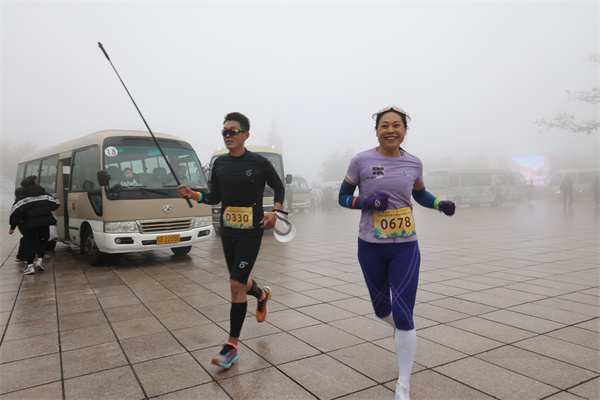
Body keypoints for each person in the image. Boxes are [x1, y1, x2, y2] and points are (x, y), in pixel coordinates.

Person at [338, 106, 455, 400]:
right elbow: (341, 197)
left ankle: (403, 382)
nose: (390, 130)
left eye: (397, 125)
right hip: (369, 246)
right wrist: (366, 203)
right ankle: (403, 331)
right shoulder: (361, 160)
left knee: (403, 314)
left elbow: (419, 194)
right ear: (377, 130)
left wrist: (439, 202)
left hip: (405, 246)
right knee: (382, 311)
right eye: (384, 125)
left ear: (405, 130)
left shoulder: (414, 162)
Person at [177, 112, 285, 369]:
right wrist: (194, 194)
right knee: (240, 282)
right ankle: (261, 295)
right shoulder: (220, 164)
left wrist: (275, 213)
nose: (227, 135)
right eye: (224, 131)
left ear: (245, 135)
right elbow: (214, 197)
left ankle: (231, 346)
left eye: (232, 131)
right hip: (229, 232)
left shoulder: (259, 163)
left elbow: (279, 187)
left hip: (251, 231)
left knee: (235, 284)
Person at [9, 175, 60, 274]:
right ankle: (40, 261)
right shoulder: (45, 194)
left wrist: (12, 227)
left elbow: (15, 212)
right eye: (36, 181)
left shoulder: (22, 198)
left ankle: (30, 266)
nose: (38, 183)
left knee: (29, 244)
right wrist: (55, 200)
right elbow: (55, 205)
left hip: (29, 225)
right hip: (44, 223)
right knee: (42, 241)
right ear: (33, 183)